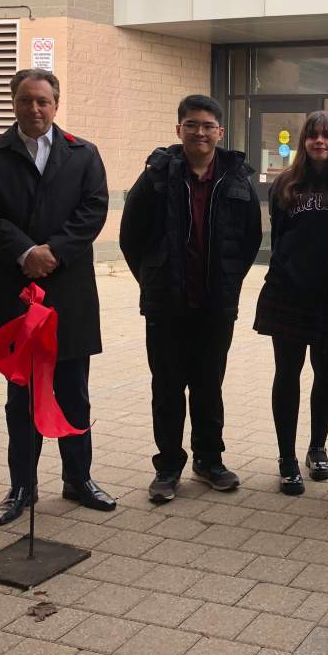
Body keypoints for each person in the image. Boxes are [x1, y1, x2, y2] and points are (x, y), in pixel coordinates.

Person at [0, 68, 115, 526]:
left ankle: (79, 478)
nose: (34, 109)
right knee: (20, 398)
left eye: (43, 101)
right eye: (26, 100)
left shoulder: (83, 153)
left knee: (74, 391)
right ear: (14, 102)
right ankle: (21, 487)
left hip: (68, 292)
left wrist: (54, 252)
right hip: (15, 293)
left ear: (56, 103)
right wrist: (25, 252)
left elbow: (94, 209)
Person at [120, 94, 262, 502]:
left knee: (208, 385)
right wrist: (153, 281)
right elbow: (132, 238)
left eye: (207, 125)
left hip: (216, 306)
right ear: (178, 129)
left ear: (220, 131)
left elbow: (250, 239)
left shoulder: (236, 180)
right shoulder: (156, 178)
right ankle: (167, 467)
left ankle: (209, 460)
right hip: (167, 306)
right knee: (166, 387)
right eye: (191, 124)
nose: (200, 132)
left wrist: (230, 281)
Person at [254, 111, 328, 495]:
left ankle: (317, 448)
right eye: (312, 136)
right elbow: (280, 238)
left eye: (326, 136)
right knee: (287, 374)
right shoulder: (286, 184)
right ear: (303, 141)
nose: (319, 142)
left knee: (326, 373)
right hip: (287, 294)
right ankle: (286, 458)